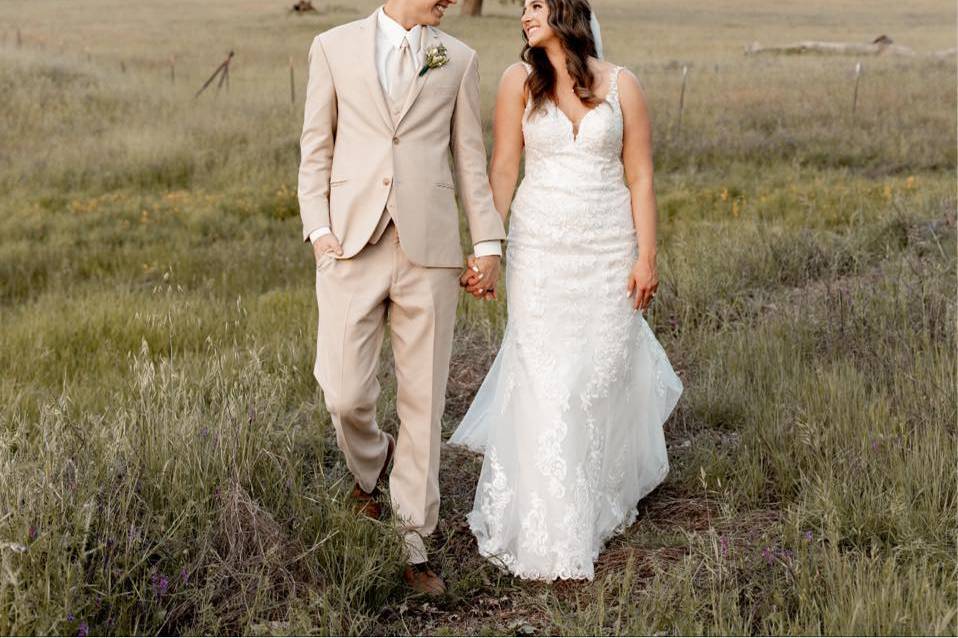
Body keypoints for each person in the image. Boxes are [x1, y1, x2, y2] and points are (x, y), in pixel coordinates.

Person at [451, 0, 684, 581]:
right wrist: (489, 248)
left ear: (567, 12)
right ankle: (553, 523)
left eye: (535, 4)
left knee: (598, 373)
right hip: (540, 251)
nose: (525, 15)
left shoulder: (623, 85)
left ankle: (597, 492)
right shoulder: (517, 83)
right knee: (549, 378)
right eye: (522, 8)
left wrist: (646, 255)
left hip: (608, 249)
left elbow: (641, 176)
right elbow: (504, 168)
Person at [297, 0, 506, 595]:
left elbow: (469, 158)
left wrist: (487, 242)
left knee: (423, 403)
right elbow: (316, 146)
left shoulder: (457, 59)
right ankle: (371, 466)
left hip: (430, 251)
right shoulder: (331, 48)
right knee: (344, 393)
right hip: (350, 246)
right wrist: (319, 231)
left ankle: (415, 543)